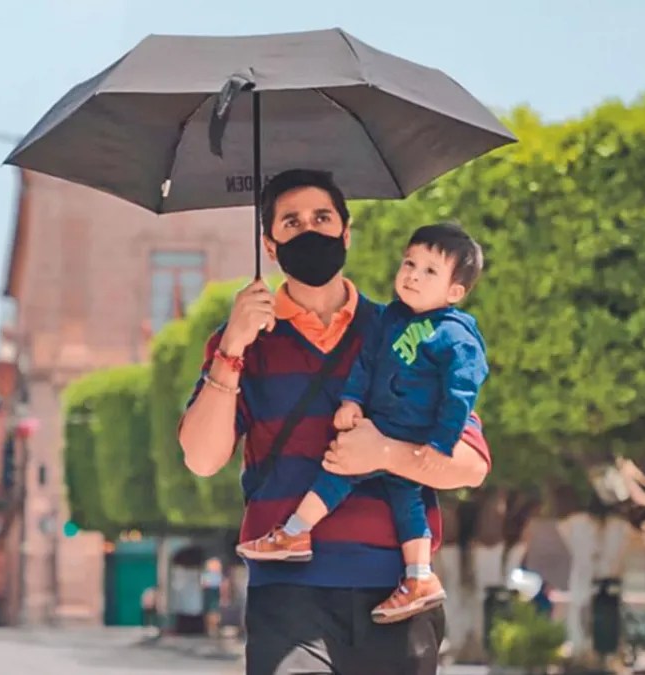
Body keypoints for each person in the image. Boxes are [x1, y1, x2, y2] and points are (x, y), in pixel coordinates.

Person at [178, 169, 492, 675]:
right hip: (287, 594)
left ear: (346, 232)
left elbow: (471, 466)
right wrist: (233, 346)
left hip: (397, 590)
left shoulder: (406, 329)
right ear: (270, 245)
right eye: (292, 222)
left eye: (322, 218)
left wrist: (383, 453)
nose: (309, 231)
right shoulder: (241, 339)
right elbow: (202, 457)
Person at [235, 222, 489, 625]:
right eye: (409, 263)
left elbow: (462, 392)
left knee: (369, 485)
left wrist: (439, 443)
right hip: (377, 422)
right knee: (361, 481)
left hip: (412, 435)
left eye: (429, 271)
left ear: (454, 292)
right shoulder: (388, 320)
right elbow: (366, 363)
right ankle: (405, 573)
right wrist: (352, 399)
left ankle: (406, 572)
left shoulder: (455, 335)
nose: (412, 275)